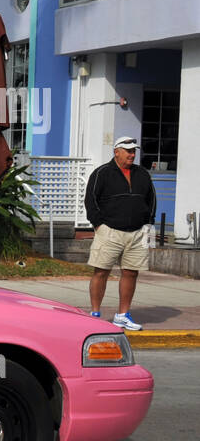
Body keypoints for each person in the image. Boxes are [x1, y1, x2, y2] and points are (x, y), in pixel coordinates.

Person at [84, 136, 156, 331]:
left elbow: (152, 200)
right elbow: (90, 200)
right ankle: (95, 314)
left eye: (134, 151)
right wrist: (98, 224)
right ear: (117, 151)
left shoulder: (142, 174)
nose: (132, 154)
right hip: (109, 231)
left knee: (131, 273)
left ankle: (123, 315)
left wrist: (148, 225)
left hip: (138, 232)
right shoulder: (102, 173)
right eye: (128, 150)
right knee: (101, 271)